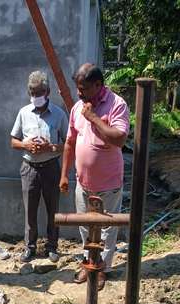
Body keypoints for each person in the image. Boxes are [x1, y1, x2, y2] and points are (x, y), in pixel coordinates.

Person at [60, 63, 129, 291]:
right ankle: (89, 262)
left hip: (108, 184)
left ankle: (102, 269)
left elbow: (119, 139)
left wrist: (94, 118)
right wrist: (64, 175)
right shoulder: (77, 107)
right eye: (77, 88)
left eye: (83, 88)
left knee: (108, 231)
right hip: (83, 183)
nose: (79, 93)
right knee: (85, 227)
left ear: (98, 85)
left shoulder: (116, 104)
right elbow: (70, 142)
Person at [11, 71, 69, 262]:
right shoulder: (23, 113)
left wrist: (50, 147)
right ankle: (30, 246)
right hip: (29, 168)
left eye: (39, 92)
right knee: (30, 210)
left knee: (53, 209)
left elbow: (69, 144)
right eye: (33, 93)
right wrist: (26, 145)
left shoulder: (59, 114)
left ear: (48, 92)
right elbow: (14, 141)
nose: (36, 97)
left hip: (51, 167)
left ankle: (52, 247)